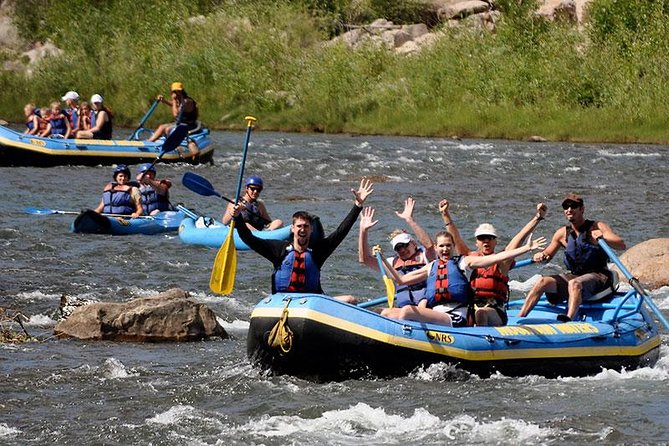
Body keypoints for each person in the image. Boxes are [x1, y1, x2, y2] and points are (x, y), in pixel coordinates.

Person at [232, 179, 374, 303]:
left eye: (306, 226)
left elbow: (340, 232)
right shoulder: (278, 249)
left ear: (311, 229)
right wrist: (238, 218)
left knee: (350, 300)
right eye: (299, 226)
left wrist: (357, 205)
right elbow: (249, 239)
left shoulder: (318, 252)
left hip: (312, 303)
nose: (302, 229)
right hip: (283, 300)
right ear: (293, 229)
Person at [377, 227, 546, 327]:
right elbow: (401, 280)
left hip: (456, 317)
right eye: (441, 246)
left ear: (453, 247)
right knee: (385, 313)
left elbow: (495, 258)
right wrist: (383, 258)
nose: (445, 250)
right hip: (436, 313)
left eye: (448, 246)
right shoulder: (432, 266)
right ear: (436, 248)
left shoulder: (463, 262)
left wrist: (526, 248)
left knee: (407, 311)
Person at [517, 193, 626, 322]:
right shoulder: (562, 233)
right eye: (566, 207)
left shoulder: (597, 226)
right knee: (542, 282)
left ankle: (569, 318)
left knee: (574, 283)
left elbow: (621, 244)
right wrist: (540, 256)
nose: (569, 209)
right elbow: (547, 256)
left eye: (573, 206)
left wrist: (603, 237)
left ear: (582, 209)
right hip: (576, 275)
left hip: (599, 276)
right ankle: (520, 318)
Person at [442, 199, 548, 326]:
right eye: (482, 238)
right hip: (471, 309)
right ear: (476, 242)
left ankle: (482, 342)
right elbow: (456, 238)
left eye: (490, 238)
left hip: (496, 313)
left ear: (495, 241)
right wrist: (445, 214)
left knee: (481, 313)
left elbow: (518, 238)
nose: (486, 241)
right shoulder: (470, 259)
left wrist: (537, 217)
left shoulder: (502, 261)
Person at [358, 198, 436, 307]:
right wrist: (363, 231)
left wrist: (410, 220)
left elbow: (429, 245)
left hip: (426, 305)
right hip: (405, 306)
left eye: (405, 245)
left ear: (413, 243)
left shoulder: (425, 255)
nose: (402, 250)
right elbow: (365, 259)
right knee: (381, 312)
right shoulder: (392, 262)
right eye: (398, 248)